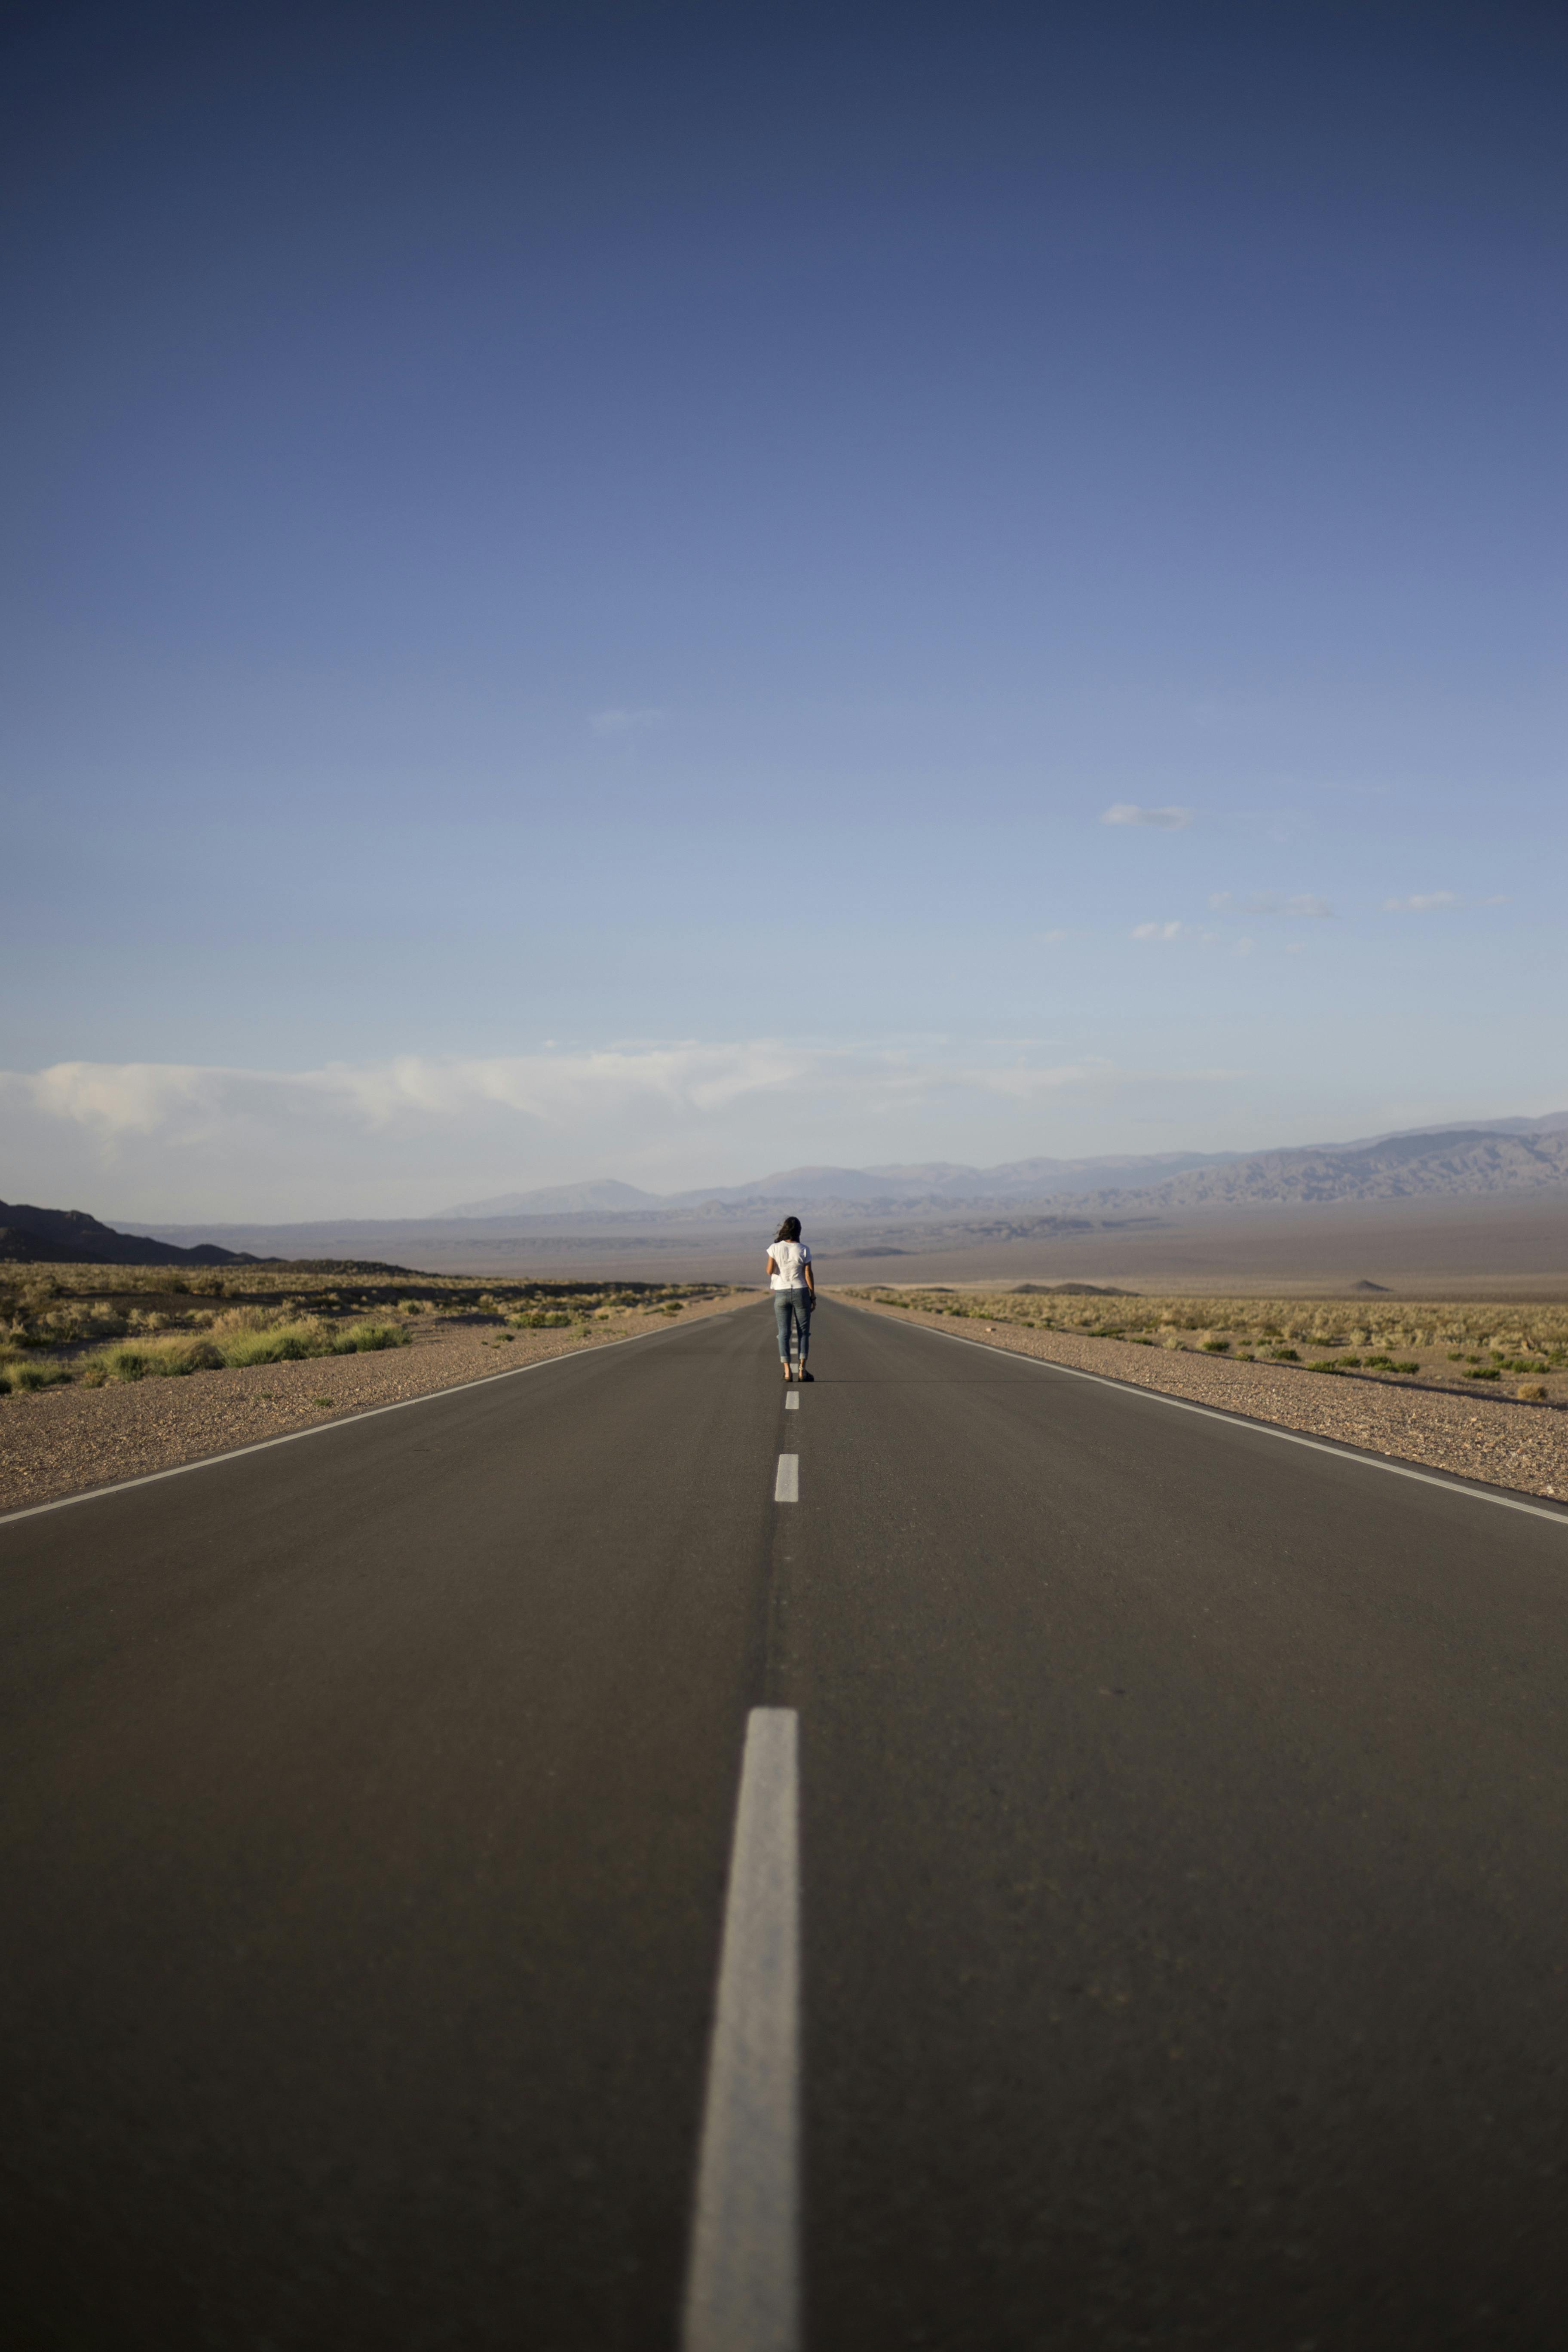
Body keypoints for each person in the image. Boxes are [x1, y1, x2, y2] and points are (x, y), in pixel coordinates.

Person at [766, 1216, 815, 1382]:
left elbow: (769, 1271)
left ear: (785, 1230)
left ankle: (787, 1372)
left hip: (781, 1292)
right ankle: (802, 1370)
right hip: (801, 1291)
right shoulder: (804, 1249)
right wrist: (813, 1296)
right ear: (799, 1231)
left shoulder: (774, 1248)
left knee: (784, 1334)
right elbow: (808, 1274)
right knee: (804, 1333)